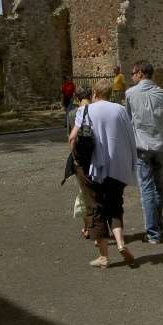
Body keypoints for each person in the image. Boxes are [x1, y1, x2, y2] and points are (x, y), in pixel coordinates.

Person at [69, 79, 137, 269]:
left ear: (94, 94)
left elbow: (73, 138)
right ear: (110, 93)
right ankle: (121, 242)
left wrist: (75, 159)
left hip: (93, 167)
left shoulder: (85, 110)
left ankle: (104, 256)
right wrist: (131, 167)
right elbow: (130, 138)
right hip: (117, 166)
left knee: (95, 207)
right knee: (115, 204)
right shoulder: (120, 110)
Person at [126, 60, 163, 245]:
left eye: (132, 73)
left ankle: (153, 232)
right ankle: (158, 223)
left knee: (147, 189)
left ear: (139, 73)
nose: (131, 77)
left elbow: (129, 119)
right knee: (159, 186)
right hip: (161, 144)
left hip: (143, 146)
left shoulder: (130, 94)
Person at [66, 89, 92, 239]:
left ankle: (87, 227)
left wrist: (75, 157)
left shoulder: (71, 114)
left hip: (80, 157)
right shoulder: (97, 111)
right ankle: (100, 225)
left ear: (76, 99)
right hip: (96, 156)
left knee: (83, 192)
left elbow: (70, 138)